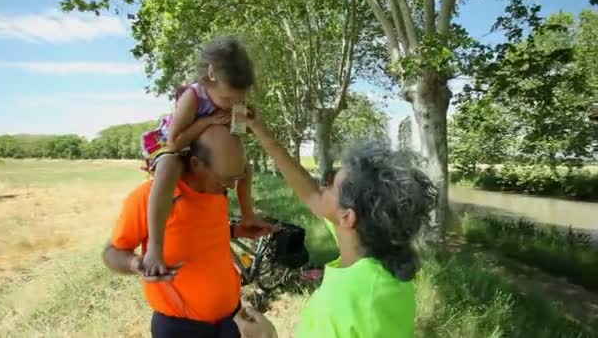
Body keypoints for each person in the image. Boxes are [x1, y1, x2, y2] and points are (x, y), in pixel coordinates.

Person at [233, 110, 437, 337]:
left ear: (347, 217)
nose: (322, 186)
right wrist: (262, 132)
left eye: (331, 185)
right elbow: (310, 194)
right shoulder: (384, 265)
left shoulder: (348, 303)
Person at [105, 125, 272, 337]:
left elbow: (197, 231)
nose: (230, 187)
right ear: (196, 164)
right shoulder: (149, 198)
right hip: (181, 328)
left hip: (232, 319)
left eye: (234, 178)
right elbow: (111, 252)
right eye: (224, 179)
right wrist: (135, 264)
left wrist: (237, 231)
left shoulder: (217, 190)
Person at [141, 36, 259, 277]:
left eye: (239, 99)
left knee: (245, 169)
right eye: (227, 99)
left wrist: (246, 122)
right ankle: (155, 246)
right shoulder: (193, 97)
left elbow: (238, 130)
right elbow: (175, 140)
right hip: (174, 144)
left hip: (202, 147)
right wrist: (208, 121)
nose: (231, 104)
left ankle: (248, 215)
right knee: (168, 170)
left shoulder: (228, 98)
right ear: (210, 77)